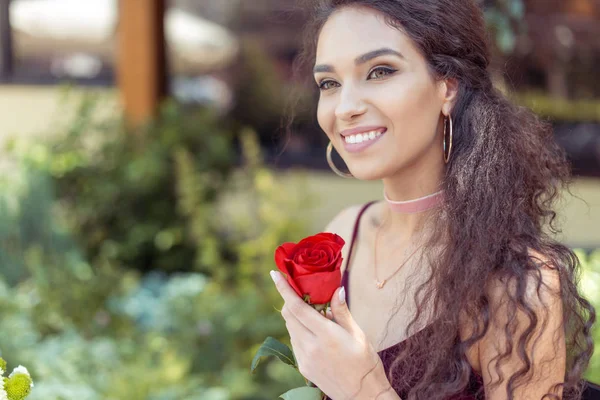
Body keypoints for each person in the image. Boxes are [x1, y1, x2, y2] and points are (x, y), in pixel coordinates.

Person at [269, 1, 599, 399]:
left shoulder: (515, 285)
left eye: (380, 71)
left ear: (448, 87)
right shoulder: (342, 237)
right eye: (329, 83)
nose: (346, 107)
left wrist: (365, 391)